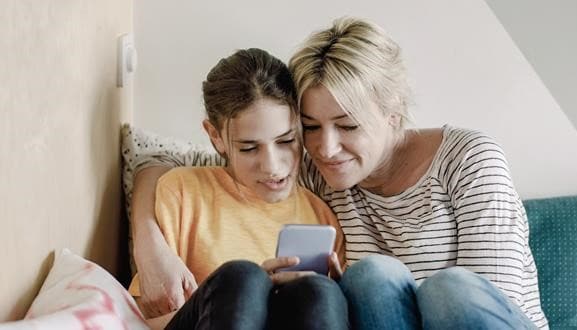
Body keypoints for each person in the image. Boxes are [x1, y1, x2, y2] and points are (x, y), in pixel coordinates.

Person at [133, 18, 548, 329]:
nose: (326, 148)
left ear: (393, 113)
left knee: (446, 289)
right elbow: (159, 160)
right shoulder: (313, 170)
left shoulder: (468, 160)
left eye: (347, 126)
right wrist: (149, 246)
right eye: (311, 127)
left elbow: (492, 300)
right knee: (370, 275)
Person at [132, 48, 348, 330]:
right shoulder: (182, 192)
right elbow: (140, 318)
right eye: (249, 148)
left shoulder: (321, 218)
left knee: (320, 292)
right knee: (242, 277)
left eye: (286, 141)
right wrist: (240, 299)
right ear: (215, 136)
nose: (272, 166)